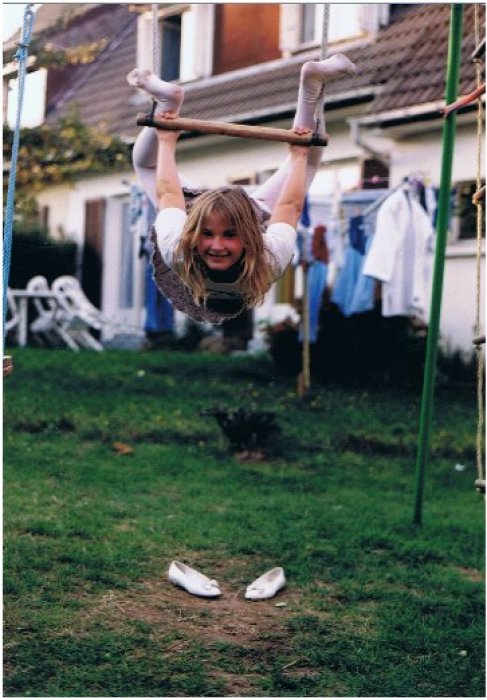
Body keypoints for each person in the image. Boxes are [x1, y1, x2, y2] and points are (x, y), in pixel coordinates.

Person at [127, 54, 356, 324]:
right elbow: (289, 206)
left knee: (146, 164)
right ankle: (311, 86)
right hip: (251, 212)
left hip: (193, 210)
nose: (217, 245)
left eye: (215, 236)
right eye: (228, 237)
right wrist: (298, 154)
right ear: (248, 239)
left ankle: (167, 101)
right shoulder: (269, 259)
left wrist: (166, 137)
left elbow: (169, 195)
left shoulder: (177, 250)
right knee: (307, 160)